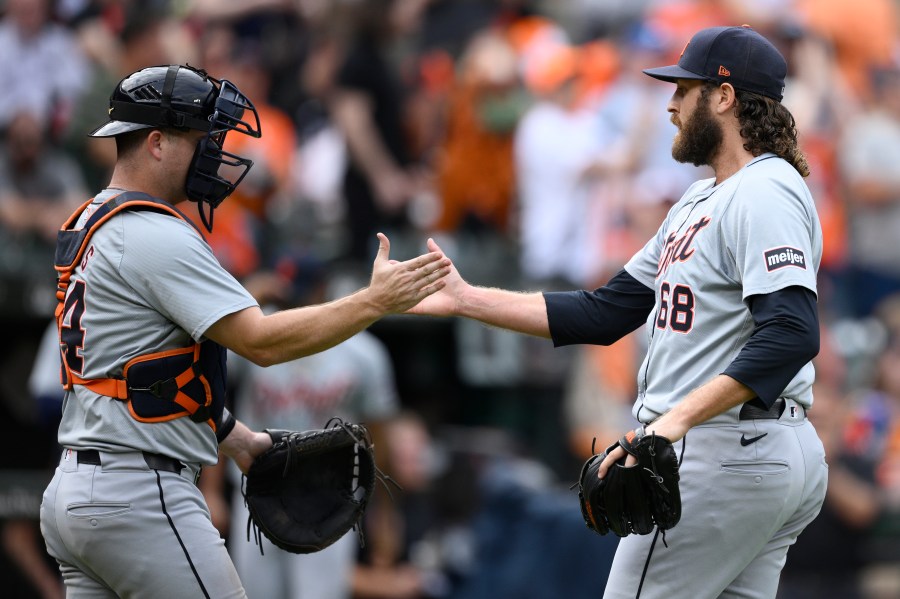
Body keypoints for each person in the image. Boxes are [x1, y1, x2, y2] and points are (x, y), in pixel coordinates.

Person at [409, 25, 828, 598]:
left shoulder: (765, 188)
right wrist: (466, 299)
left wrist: (673, 422)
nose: (672, 103)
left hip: (724, 451)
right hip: (747, 452)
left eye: (686, 89)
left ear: (725, 98)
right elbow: (604, 312)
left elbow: (792, 333)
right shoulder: (700, 198)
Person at [38, 63, 450, 599]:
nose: (214, 152)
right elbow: (263, 341)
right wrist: (374, 302)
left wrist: (240, 441)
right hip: (140, 496)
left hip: (79, 492)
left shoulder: (91, 221)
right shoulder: (153, 231)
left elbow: (146, 380)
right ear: (157, 143)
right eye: (201, 138)